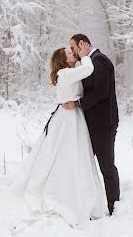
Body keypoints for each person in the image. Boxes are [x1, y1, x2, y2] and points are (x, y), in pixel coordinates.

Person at [12, 42, 107, 226]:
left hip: (73, 116)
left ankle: (77, 193)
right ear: (63, 61)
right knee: (69, 156)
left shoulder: (69, 73)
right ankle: (65, 195)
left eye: (71, 51)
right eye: (69, 52)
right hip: (68, 120)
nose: (72, 52)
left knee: (76, 157)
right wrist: (86, 54)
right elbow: (88, 69)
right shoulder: (66, 73)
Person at [63, 34, 120, 216]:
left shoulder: (100, 60)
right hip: (92, 125)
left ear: (82, 44)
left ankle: (114, 207)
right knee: (84, 166)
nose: (72, 51)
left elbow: (101, 92)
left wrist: (78, 104)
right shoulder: (90, 61)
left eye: (73, 48)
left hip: (103, 125)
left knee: (107, 166)